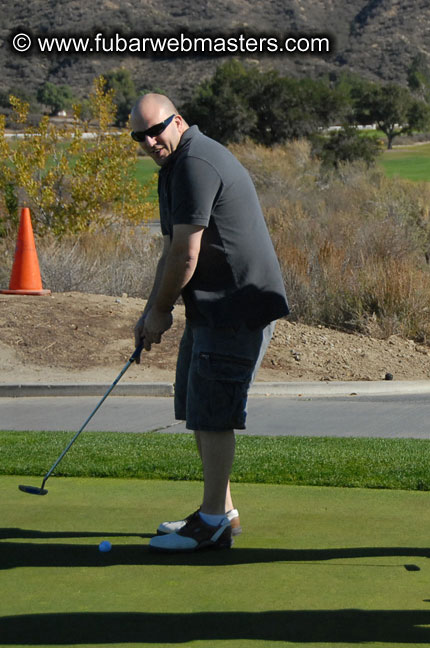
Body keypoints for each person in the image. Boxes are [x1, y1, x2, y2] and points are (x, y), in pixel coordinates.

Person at [129, 93, 289, 552]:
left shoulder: (196, 162)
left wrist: (161, 311)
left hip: (236, 307)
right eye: (140, 136)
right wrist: (150, 310)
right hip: (212, 307)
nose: (150, 140)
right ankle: (222, 511)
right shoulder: (176, 166)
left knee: (214, 416)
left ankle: (213, 523)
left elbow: (186, 254)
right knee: (200, 412)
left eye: (156, 129)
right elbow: (169, 252)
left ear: (177, 121)